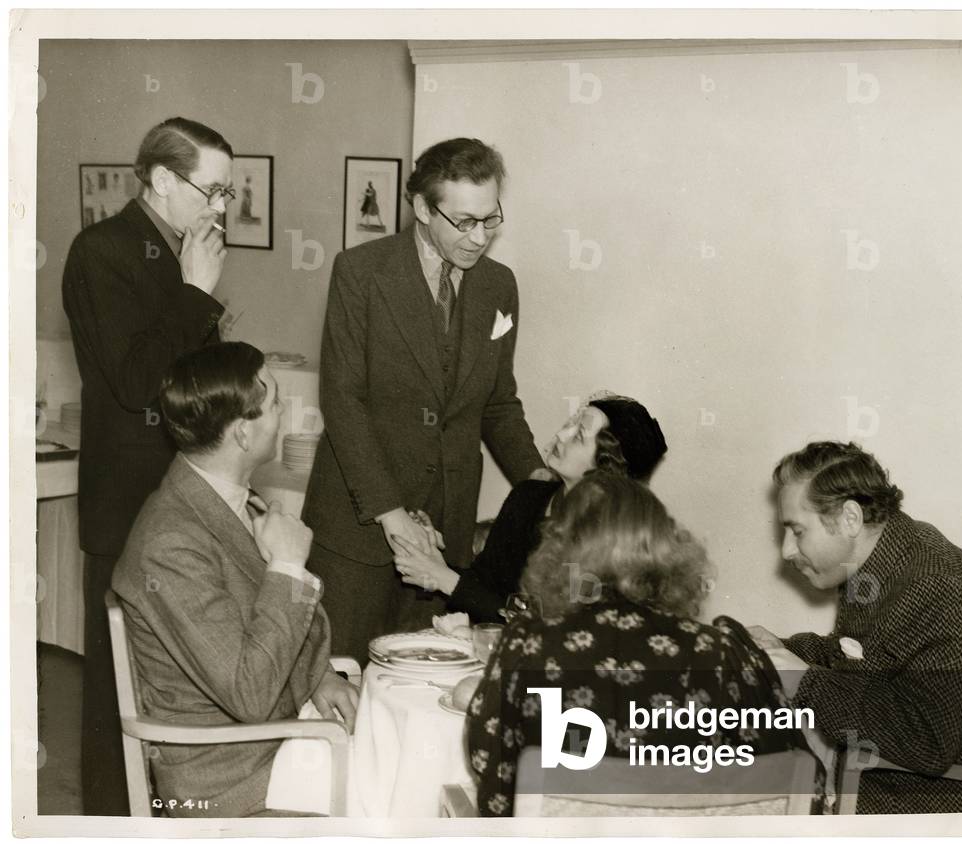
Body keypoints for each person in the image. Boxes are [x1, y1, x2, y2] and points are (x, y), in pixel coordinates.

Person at [302, 137, 545, 663]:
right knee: (340, 678)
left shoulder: (500, 287)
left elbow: (499, 403)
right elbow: (343, 401)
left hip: (445, 532)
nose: (479, 237)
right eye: (463, 221)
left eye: (490, 218)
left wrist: (542, 487)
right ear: (420, 207)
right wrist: (392, 516)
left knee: (425, 680)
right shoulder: (361, 273)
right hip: (360, 525)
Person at [466, 474, 824, 817]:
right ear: (668, 552)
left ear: (560, 551)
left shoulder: (527, 643)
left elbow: (493, 773)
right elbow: (805, 784)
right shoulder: (720, 652)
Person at [62, 116, 233, 815]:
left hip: (180, 498)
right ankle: (108, 821)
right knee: (116, 689)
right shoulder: (100, 251)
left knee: (174, 681)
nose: (221, 207)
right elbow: (136, 384)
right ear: (162, 180)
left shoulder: (183, 250)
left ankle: (166, 815)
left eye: (228, 193)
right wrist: (196, 294)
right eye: (213, 190)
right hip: (126, 503)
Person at [111, 342, 359, 818]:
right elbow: (249, 692)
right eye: (277, 403)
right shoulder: (170, 544)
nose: (285, 411)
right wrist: (287, 566)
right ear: (244, 434)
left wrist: (318, 676)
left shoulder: (226, 498)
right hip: (230, 780)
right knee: (406, 796)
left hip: (267, 744)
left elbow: (249, 629)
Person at [749, 441, 962, 814]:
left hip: (936, 802)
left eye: (797, 531)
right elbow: (862, 656)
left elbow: (930, 741)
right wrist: (780, 648)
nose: (786, 551)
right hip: (884, 778)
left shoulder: (933, 583)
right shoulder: (886, 552)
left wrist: (806, 683)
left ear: (849, 518)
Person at [392, 395, 667, 622]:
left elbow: (546, 631)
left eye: (578, 435)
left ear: (606, 467)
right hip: (514, 665)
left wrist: (447, 580)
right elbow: (486, 589)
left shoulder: (611, 537)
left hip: (565, 684)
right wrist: (436, 565)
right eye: (570, 423)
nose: (561, 434)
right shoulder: (528, 497)